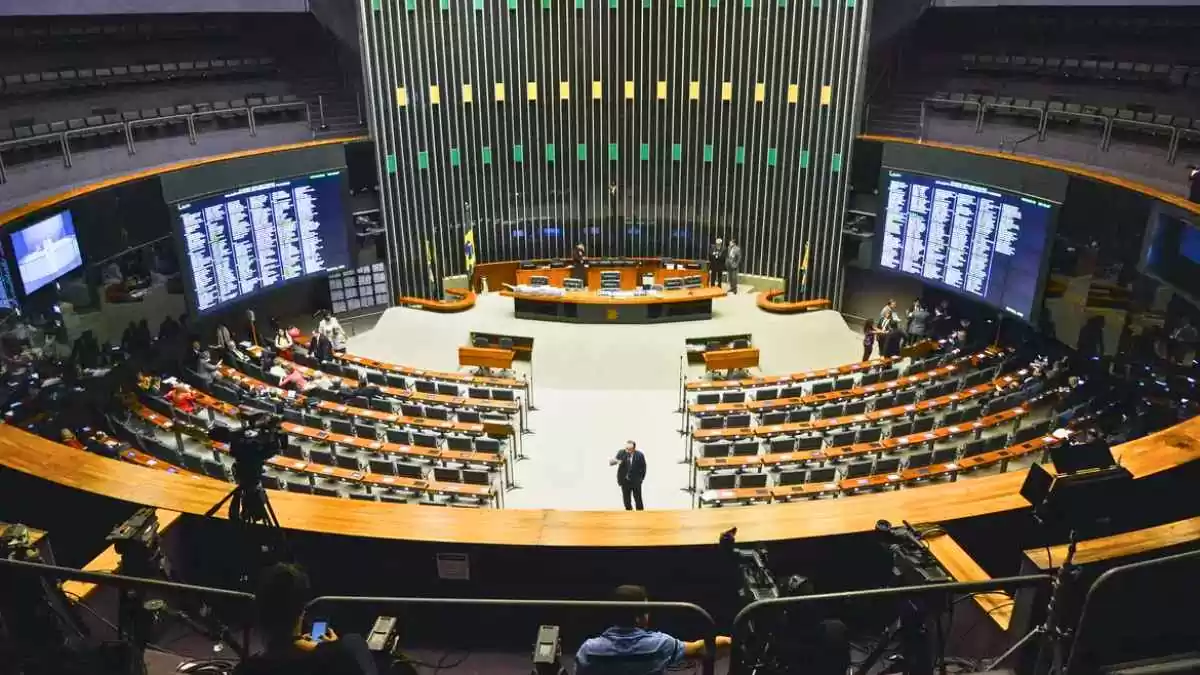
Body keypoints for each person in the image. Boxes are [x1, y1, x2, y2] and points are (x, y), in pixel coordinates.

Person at [233, 563, 376, 675]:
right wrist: (332, 649)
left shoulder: (246, 670)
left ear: (258, 612)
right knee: (354, 641)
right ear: (302, 612)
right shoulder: (336, 660)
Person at [575, 585, 731, 675]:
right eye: (647, 609)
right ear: (638, 618)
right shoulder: (659, 645)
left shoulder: (589, 650)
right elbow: (700, 648)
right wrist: (733, 641)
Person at [609, 440, 646, 511]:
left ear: (634, 449)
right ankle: (629, 516)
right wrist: (616, 461)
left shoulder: (640, 455)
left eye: (629, 449)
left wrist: (641, 479)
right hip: (624, 481)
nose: (627, 450)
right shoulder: (621, 452)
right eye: (626, 448)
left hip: (636, 481)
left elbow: (643, 467)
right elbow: (611, 463)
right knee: (626, 501)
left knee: (638, 500)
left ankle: (641, 517)